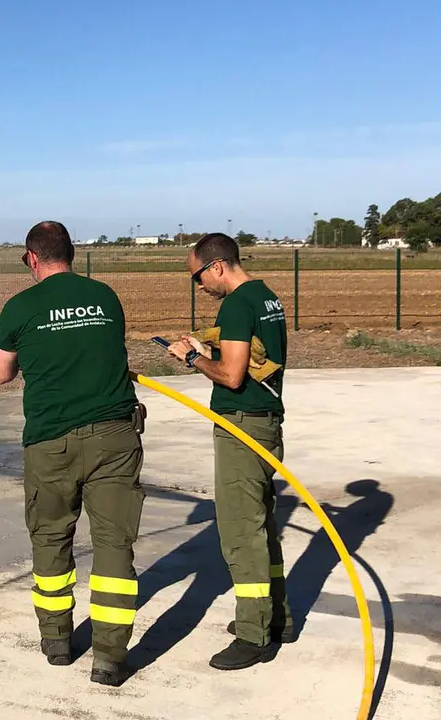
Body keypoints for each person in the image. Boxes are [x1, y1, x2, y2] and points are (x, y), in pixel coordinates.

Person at [0, 220, 146, 687]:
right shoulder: (105, 297)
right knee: (115, 545)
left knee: (51, 538)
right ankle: (110, 657)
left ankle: (57, 641)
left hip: (51, 444)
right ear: (71, 254)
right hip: (115, 438)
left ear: (32, 258)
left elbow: (0, 374)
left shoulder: (19, 307)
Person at [166, 232, 295, 671]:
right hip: (266, 424)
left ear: (216, 265)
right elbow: (255, 358)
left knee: (241, 533)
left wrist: (191, 359)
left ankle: (254, 635)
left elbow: (233, 376)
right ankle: (278, 617)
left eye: (198, 276)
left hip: (241, 426)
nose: (198, 286)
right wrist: (211, 347)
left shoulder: (237, 304)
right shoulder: (266, 297)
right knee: (262, 525)